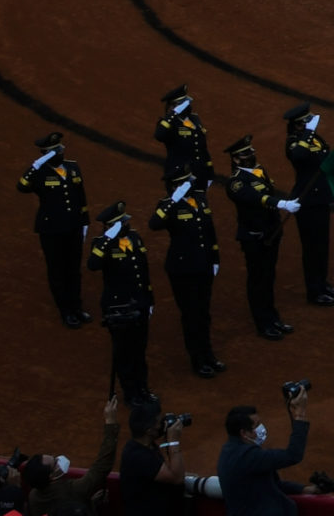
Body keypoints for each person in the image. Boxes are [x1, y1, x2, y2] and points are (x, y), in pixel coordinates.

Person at [224, 134, 301, 340]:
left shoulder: (259, 171)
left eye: (251, 151)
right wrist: (282, 204)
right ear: (236, 159)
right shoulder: (235, 182)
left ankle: (272, 317)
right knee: (258, 280)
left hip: (270, 232)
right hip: (254, 237)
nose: (251, 154)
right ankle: (263, 323)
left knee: (268, 277)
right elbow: (254, 198)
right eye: (246, 153)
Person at [150, 167, 224, 377]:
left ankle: (208, 354)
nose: (190, 185)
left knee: (203, 313)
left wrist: (215, 257)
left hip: (203, 266)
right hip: (183, 269)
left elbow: (209, 232)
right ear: (176, 186)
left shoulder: (200, 200)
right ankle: (198, 360)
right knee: (191, 315)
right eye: (185, 183)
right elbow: (154, 223)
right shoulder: (168, 205)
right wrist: (173, 200)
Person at [217, 386, 311, 516]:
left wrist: (305, 490)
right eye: (256, 425)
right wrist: (299, 414)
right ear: (244, 433)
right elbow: (293, 455)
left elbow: (270, 484)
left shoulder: (232, 449)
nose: (261, 428)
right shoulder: (246, 456)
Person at [18, 131, 89, 328]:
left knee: (73, 270)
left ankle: (77, 307)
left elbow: (81, 197)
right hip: (52, 230)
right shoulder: (40, 172)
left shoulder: (73, 168)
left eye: (60, 149)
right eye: (55, 151)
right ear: (46, 154)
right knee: (58, 271)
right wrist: (35, 166)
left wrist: (85, 223)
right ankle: (66, 311)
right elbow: (22, 186)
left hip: (74, 227)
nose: (60, 153)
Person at [89, 200, 155, 401]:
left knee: (139, 350)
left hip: (139, 304)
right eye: (121, 223)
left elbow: (143, 273)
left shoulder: (135, 238)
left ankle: (142, 389)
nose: (127, 224)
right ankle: (130, 393)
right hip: (118, 309)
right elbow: (93, 264)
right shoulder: (101, 244)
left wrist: (149, 299)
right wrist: (107, 238)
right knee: (124, 353)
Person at [281, 105, 334, 307]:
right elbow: (299, 156)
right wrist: (307, 133)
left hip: (320, 199)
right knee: (311, 248)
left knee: (322, 244)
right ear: (299, 124)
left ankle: (322, 283)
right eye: (307, 121)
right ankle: (314, 291)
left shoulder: (315, 139)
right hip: (307, 201)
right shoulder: (293, 142)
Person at [155, 86, 210, 184]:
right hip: (178, 175)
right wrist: (173, 113)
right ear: (173, 106)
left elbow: (202, 146)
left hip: (197, 173)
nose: (187, 106)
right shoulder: (169, 123)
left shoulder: (195, 119)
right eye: (183, 104)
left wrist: (209, 169)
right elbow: (159, 135)